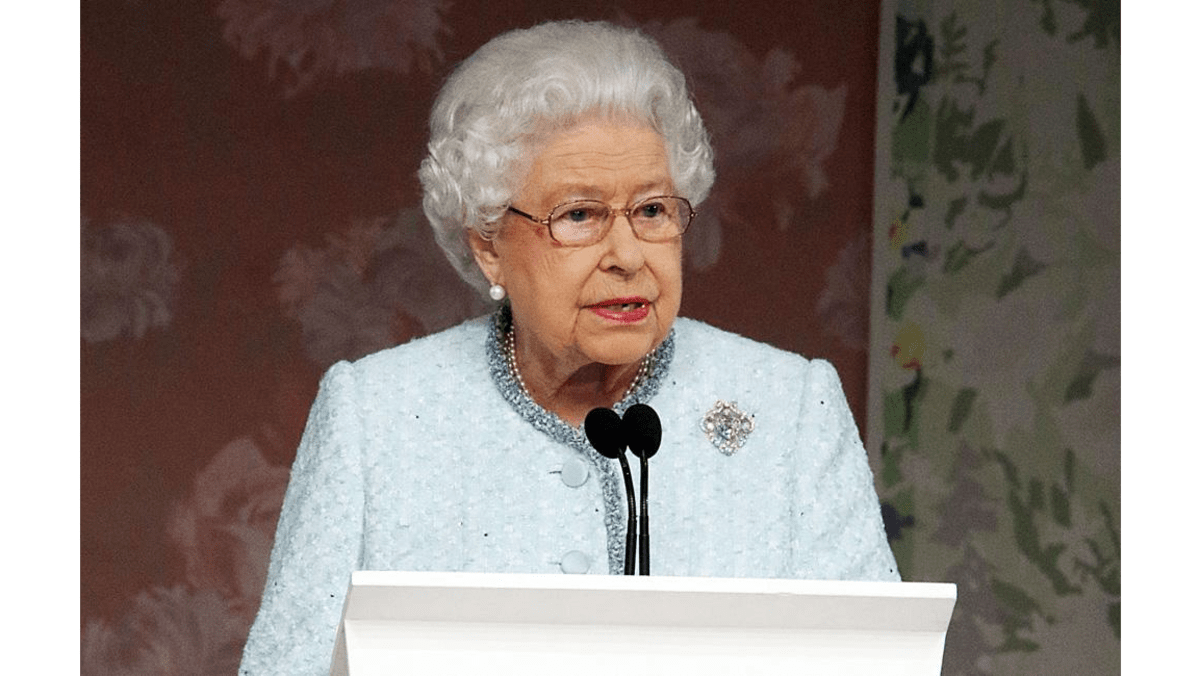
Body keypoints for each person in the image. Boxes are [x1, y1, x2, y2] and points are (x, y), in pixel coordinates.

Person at [239, 19, 898, 675]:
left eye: (652, 210)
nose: (627, 256)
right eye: (579, 215)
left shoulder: (791, 408)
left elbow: (883, 661)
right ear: (488, 245)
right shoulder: (374, 416)